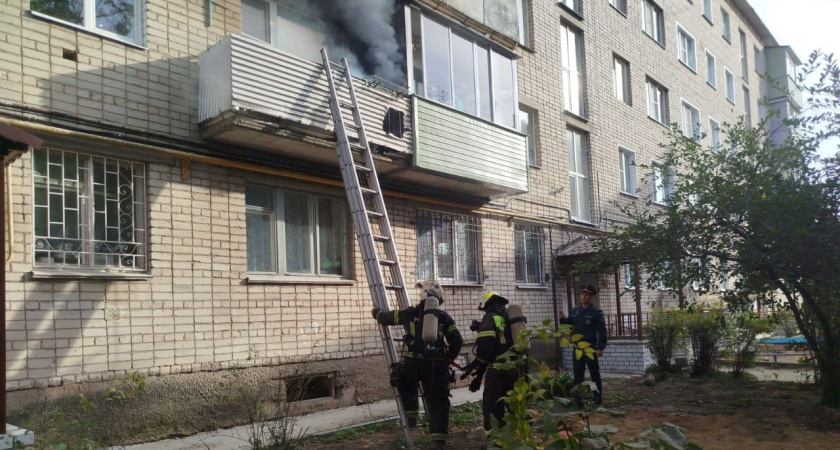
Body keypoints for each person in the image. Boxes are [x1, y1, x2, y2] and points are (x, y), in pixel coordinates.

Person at [371, 280, 463, 448]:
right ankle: (439, 441)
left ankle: (412, 417)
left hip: (413, 364)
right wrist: (449, 357)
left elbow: (386, 318)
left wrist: (375, 311)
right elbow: (457, 340)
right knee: (438, 402)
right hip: (436, 366)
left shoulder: (409, 313)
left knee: (406, 385)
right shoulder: (444, 317)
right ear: (439, 298)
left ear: (422, 295)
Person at [461, 291, 521, 431]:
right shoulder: (507, 318)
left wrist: (477, 369)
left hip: (497, 373)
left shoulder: (489, 318)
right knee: (516, 408)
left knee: (492, 410)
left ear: (487, 304)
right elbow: (502, 340)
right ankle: (521, 439)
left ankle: (495, 442)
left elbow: (486, 352)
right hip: (515, 370)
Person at [558, 284, 607, 407]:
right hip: (577, 348)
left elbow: (602, 332)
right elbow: (571, 322)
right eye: (582, 294)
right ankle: (577, 401)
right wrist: (562, 318)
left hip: (590, 349)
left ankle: (597, 400)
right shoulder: (575, 310)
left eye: (587, 294)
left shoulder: (596, 312)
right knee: (578, 375)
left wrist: (600, 348)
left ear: (590, 297)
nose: (584, 296)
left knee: (594, 374)